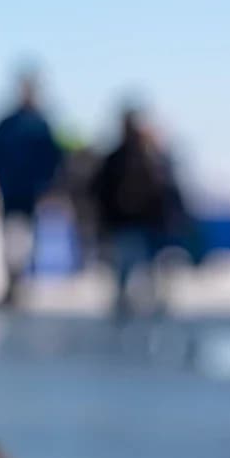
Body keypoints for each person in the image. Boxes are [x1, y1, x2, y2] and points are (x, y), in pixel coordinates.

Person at [91, 102, 184, 318]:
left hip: (145, 223)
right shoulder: (119, 158)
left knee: (146, 267)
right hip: (126, 223)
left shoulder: (151, 157)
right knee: (128, 266)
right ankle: (127, 304)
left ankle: (145, 304)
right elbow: (100, 191)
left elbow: (166, 191)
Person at [0, 66, 63, 307]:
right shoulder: (10, 123)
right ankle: (13, 283)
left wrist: (46, 186)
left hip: (29, 194)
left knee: (24, 240)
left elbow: (52, 159)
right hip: (11, 192)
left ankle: (18, 283)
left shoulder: (40, 123)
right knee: (12, 240)